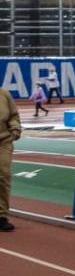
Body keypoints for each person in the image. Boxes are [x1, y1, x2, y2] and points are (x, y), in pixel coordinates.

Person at [0, 88, 18, 232]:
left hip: (3, 141)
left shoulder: (4, 94)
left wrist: (15, 128)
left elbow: (13, 115)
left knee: (3, 176)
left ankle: (1, 216)